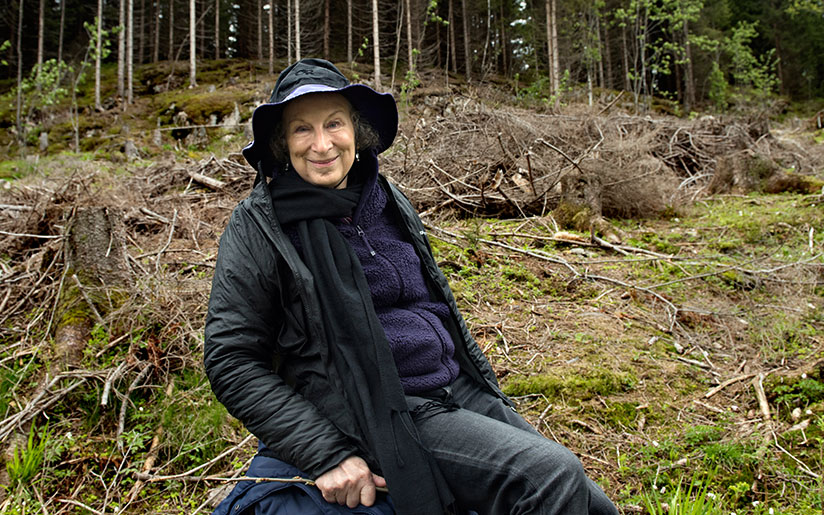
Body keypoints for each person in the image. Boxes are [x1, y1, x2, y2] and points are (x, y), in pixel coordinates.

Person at [204, 58, 619, 515]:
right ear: (282, 143)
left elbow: (437, 303)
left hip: (454, 385)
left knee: (588, 499)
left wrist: (486, 387)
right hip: (382, 409)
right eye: (302, 129)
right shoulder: (260, 225)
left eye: (334, 123)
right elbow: (231, 359)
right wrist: (325, 453)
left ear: (356, 131)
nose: (321, 144)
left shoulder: (385, 198)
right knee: (549, 476)